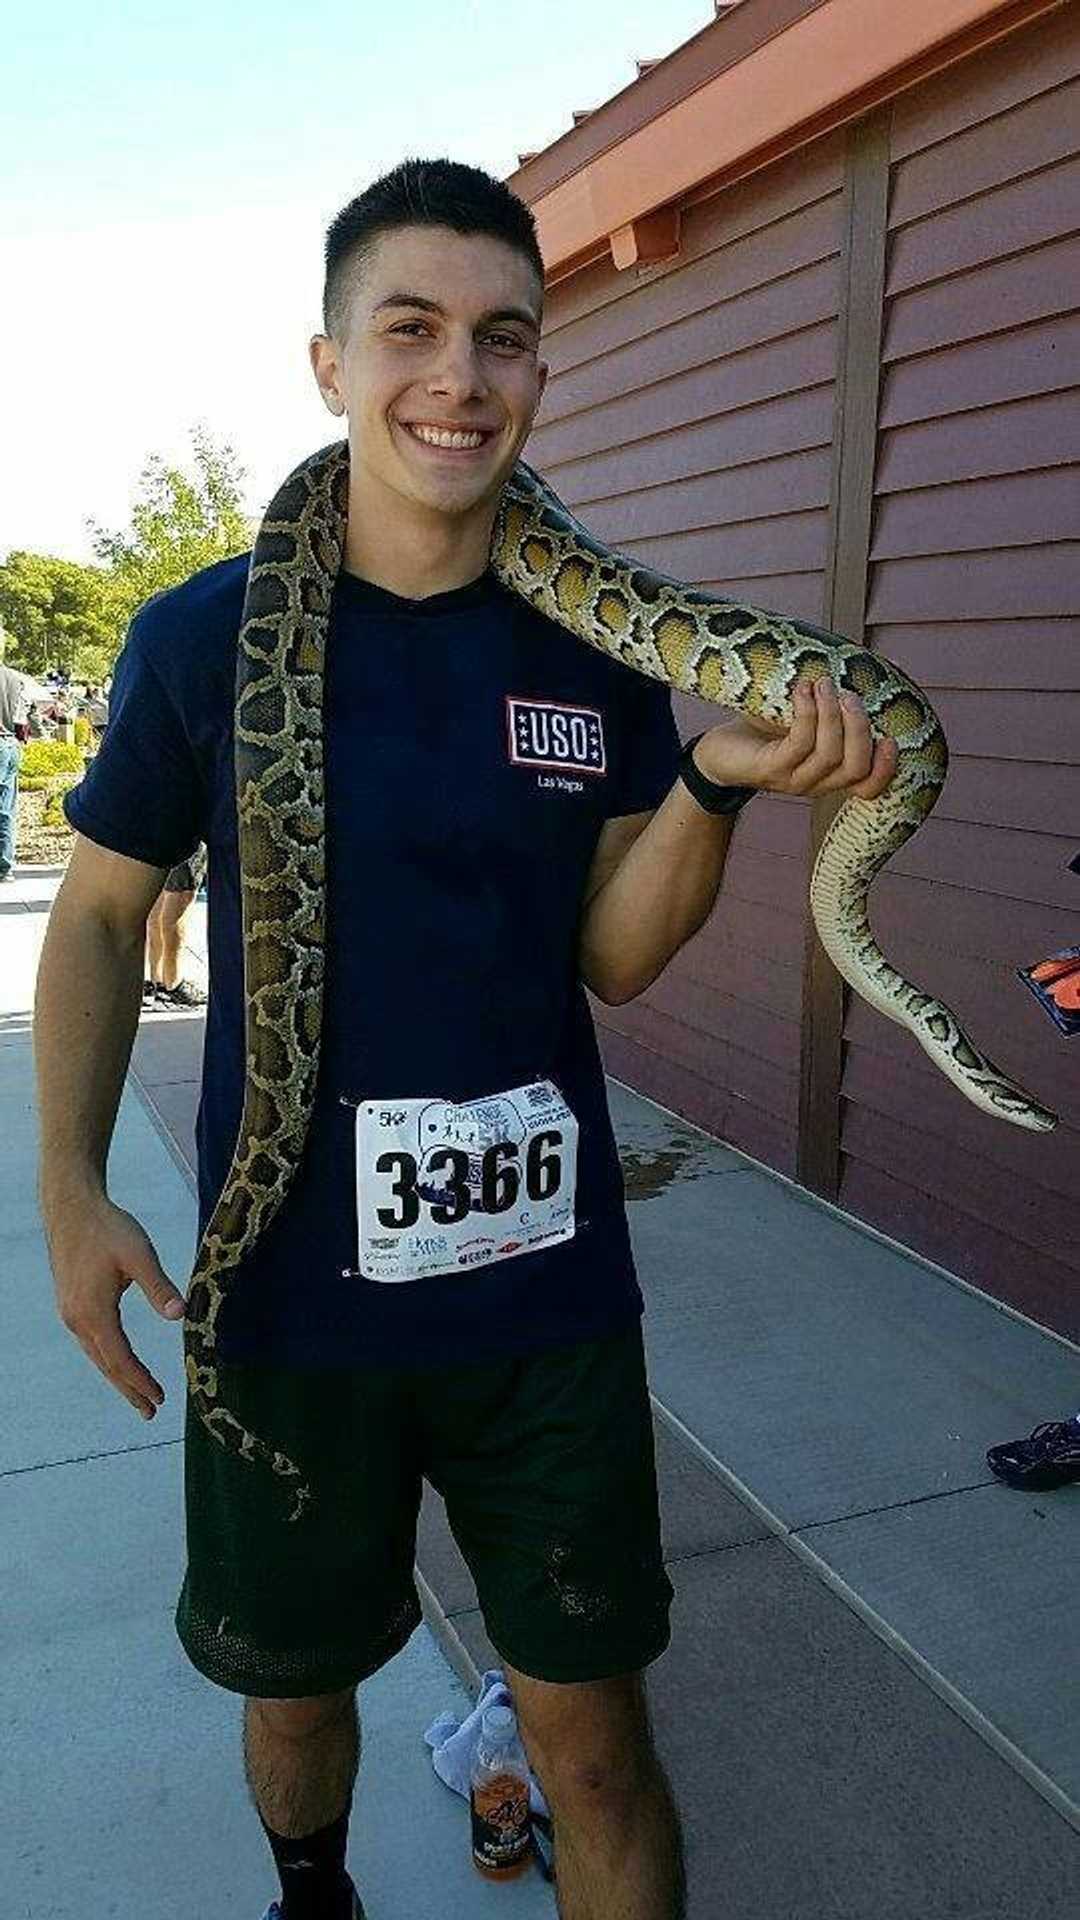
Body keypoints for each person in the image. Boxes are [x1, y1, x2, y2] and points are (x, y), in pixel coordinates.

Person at [34, 158, 896, 1920]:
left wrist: (718, 789)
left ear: (540, 376)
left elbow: (617, 959)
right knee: (295, 1684)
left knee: (594, 1738)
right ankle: (314, 1893)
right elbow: (105, 915)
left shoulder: (585, 648)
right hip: (286, 1295)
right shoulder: (207, 639)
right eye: (410, 330)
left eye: (504, 338)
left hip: (544, 1299)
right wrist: (65, 1183)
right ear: (329, 361)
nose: (459, 376)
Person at [144, 844, 209, 1009]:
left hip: (160, 832)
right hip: (186, 833)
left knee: (160, 896)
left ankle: (155, 980)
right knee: (181, 897)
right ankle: (173, 983)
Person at [0, 648, 30, 880]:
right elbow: (23, 718)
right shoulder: (15, 678)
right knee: (7, 808)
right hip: (11, 744)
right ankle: (5, 865)